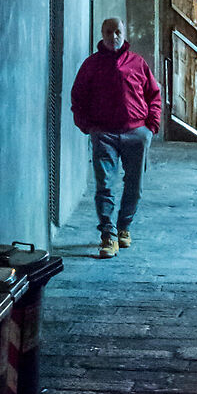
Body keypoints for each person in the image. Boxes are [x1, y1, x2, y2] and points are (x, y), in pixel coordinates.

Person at [70, 16, 162, 258]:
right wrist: (88, 126)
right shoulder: (91, 65)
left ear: (124, 32)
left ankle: (124, 228)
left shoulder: (137, 63)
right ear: (102, 34)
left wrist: (151, 127)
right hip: (104, 134)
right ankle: (108, 235)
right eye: (109, 32)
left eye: (118, 31)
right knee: (105, 185)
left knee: (134, 185)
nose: (114, 36)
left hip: (136, 133)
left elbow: (153, 94)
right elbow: (78, 96)